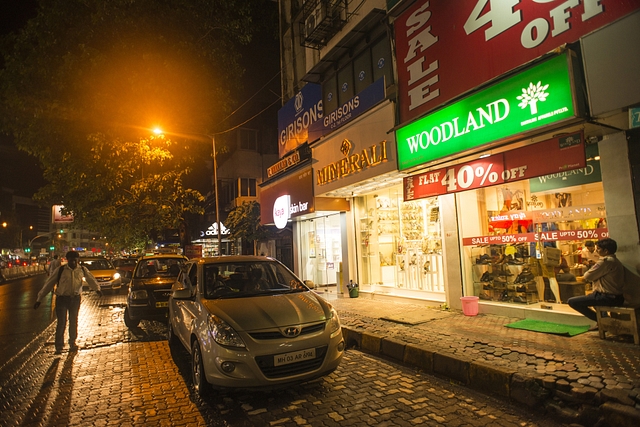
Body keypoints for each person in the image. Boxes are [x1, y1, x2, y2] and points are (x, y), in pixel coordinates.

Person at [34, 250, 102, 354]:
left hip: (75, 299)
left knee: (73, 321)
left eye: (75, 260)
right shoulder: (61, 270)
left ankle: (72, 342)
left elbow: (91, 279)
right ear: (67, 260)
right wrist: (39, 299)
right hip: (62, 299)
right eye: (71, 260)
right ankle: (59, 345)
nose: (73, 262)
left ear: (78, 260)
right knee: (61, 322)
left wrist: (97, 289)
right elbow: (49, 284)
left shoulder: (82, 269)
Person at [567, 238, 624, 328]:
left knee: (572, 302)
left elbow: (587, 276)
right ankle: (603, 319)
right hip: (614, 296)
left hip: (608, 297)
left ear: (606, 251)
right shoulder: (614, 261)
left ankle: (602, 321)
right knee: (593, 297)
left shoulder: (605, 261)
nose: (597, 250)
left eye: (599, 249)